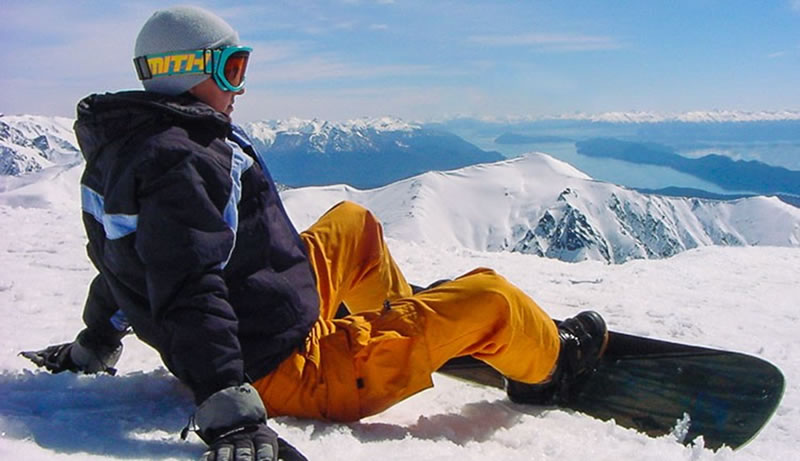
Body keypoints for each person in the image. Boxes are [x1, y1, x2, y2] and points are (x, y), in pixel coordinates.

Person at [21, 6, 608, 461]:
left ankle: (404, 323)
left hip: (267, 310)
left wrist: (92, 344)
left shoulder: (130, 149)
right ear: (185, 73)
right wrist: (231, 410)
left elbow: (122, 263)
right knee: (492, 300)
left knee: (354, 224)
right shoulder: (183, 163)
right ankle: (551, 369)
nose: (239, 88)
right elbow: (184, 283)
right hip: (285, 367)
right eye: (232, 68)